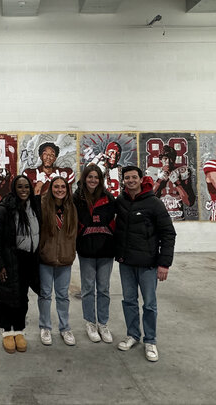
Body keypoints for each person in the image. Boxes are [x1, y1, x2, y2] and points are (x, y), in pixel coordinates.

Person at [114, 165, 176, 362]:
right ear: (123, 181)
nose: (131, 181)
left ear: (141, 179)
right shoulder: (120, 201)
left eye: (134, 177)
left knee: (149, 304)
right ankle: (133, 335)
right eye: (127, 178)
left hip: (148, 264)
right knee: (129, 301)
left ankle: (150, 340)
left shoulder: (154, 203)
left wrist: (164, 264)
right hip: (126, 263)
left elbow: (168, 234)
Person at [0, 175, 41, 354]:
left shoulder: (34, 206)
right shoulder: (4, 210)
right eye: (20, 187)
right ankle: (6, 331)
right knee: (6, 296)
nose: (24, 190)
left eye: (27, 187)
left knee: (22, 296)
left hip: (29, 260)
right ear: (13, 189)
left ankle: (19, 330)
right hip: (10, 260)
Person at [72, 164, 115, 343]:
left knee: (103, 289)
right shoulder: (76, 198)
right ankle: (90, 322)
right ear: (84, 178)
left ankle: (103, 324)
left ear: (100, 180)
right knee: (88, 288)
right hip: (86, 251)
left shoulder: (109, 198)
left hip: (106, 250)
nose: (93, 180)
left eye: (96, 177)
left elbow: (115, 222)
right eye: (90, 177)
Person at [37, 176, 78, 346]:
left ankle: (64, 328)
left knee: (63, 296)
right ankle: (45, 327)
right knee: (45, 295)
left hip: (65, 259)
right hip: (45, 258)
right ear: (51, 188)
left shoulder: (72, 208)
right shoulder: (43, 206)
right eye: (56, 187)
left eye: (63, 187)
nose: (60, 189)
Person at [148, 145, 196, 220]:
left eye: (171, 158)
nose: (169, 161)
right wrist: (159, 180)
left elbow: (189, 202)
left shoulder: (181, 173)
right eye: (165, 158)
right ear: (161, 160)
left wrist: (177, 182)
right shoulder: (154, 173)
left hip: (178, 217)